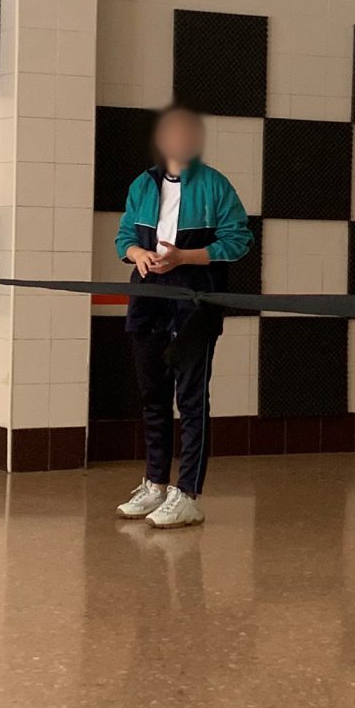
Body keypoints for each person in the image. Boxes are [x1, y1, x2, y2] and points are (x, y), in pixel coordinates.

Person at [112, 104, 251, 530]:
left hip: (195, 305)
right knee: (153, 395)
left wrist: (183, 258)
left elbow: (239, 240)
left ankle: (187, 492)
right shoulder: (142, 184)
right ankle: (155, 482)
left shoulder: (216, 186)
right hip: (148, 300)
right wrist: (138, 254)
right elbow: (123, 238)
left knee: (191, 401)